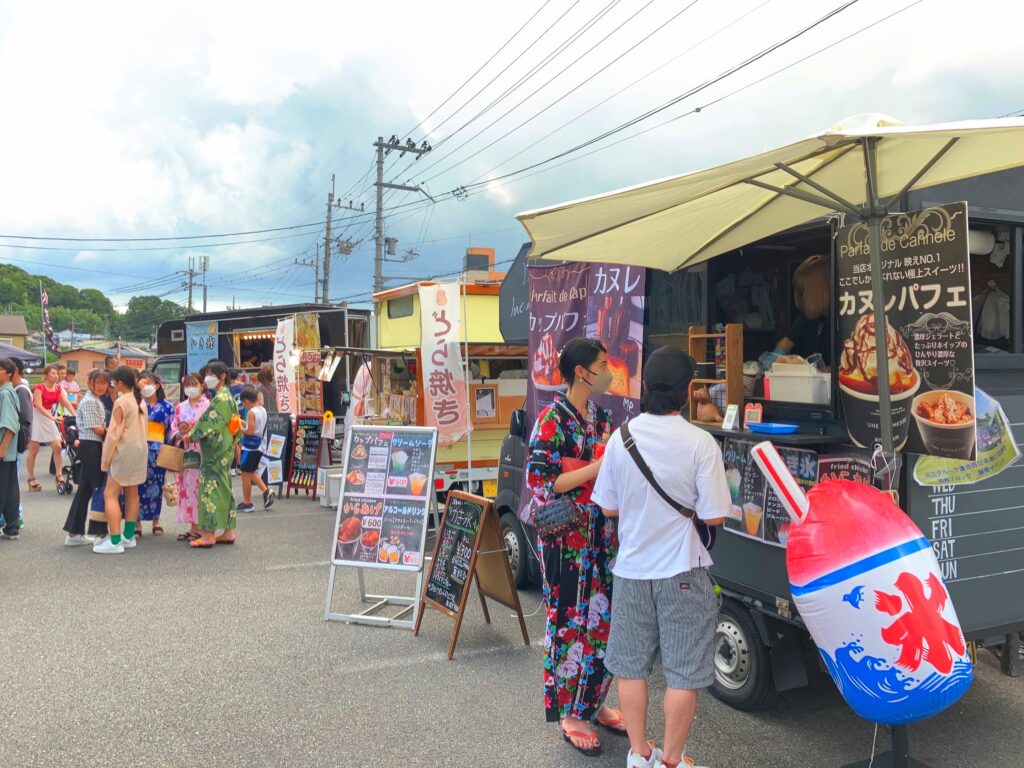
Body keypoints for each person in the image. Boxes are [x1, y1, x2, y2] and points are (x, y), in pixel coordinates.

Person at [592, 346, 729, 768]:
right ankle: (670, 762)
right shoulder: (700, 443)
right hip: (683, 572)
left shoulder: (621, 437)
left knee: (631, 668)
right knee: (683, 674)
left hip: (632, 571)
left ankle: (639, 754)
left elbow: (608, 507)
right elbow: (714, 515)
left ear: (646, 388)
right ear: (688, 390)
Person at [526, 338, 624, 756]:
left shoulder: (602, 418)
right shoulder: (551, 419)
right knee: (568, 620)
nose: (609, 370)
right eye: (602, 364)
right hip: (566, 538)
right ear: (581, 372)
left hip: (601, 533)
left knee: (601, 620)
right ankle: (569, 712)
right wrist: (596, 467)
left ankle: (593, 701)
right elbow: (540, 481)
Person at [180, 361, 240, 548]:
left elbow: (208, 421)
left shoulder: (220, 399)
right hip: (225, 447)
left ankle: (207, 535)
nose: (208, 378)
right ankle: (229, 531)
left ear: (222, 376)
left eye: (211, 374)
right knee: (224, 488)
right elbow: (236, 424)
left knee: (210, 489)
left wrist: (192, 434)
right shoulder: (227, 396)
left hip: (215, 451)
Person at [93, 366, 148, 554]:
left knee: (110, 495)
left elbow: (113, 434)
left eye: (113, 382)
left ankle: (115, 540)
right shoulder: (139, 401)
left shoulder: (121, 402)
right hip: (139, 451)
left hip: (123, 451)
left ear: (120, 383)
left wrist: (105, 459)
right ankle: (128, 536)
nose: (111, 385)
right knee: (132, 493)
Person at [761, 254, 832, 370]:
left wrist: (812, 372)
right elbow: (789, 339)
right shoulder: (809, 315)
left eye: (804, 291)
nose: (801, 296)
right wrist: (775, 356)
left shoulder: (841, 319)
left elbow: (842, 368)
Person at [63, 370, 110, 545]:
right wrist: (113, 431)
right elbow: (96, 429)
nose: (101, 386)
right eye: (98, 383)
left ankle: (74, 533)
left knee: (84, 491)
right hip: (92, 447)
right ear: (90, 382)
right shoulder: (90, 401)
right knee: (99, 488)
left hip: (91, 447)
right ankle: (99, 533)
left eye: (104, 383)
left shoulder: (94, 400)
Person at [25, 363, 76, 492]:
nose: (56, 376)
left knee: (58, 446)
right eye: (53, 373)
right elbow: (38, 405)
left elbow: (65, 402)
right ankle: (31, 478)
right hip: (37, 416)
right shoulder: (39, 387)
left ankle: (59, 475)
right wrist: (51, 417)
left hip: (49, 416)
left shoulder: (58, 388)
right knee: (34, 449)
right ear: (46, 376)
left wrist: (75, 416)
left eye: (57, 374)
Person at [171, 373, 209, 542]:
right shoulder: (180, 407)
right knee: (186, 488)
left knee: (200, 488)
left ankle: (201, 527)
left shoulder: (208, 405)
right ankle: (193, 526)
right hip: (186, 452)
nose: (191, 388)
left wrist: (194, 433)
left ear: (202, 385)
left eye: (194, 384)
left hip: (202, 450)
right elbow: (173, 427)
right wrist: (180, 433)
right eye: (188, 384)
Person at [138, 372, 173, 536]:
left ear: (157, 385)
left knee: (157, 486)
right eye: (142, 383)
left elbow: (171, 430)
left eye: (149, 383)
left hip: (158, 449)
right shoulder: (137, 404)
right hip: (138, 448)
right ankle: (136, 523)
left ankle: (156, 521)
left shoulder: (167, 406)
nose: (145, 387)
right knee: (135, 486)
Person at [237, 387, 275, 512]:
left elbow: (250, 431)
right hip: (260, 446)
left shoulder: (251, 412)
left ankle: (247, 503)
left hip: (250, 448)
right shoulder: (262, 410)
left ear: (247, 400)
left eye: (243, 402)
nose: (244, 405)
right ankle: (266, 491)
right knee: (252, 472)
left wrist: (239, 427)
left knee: (245, 474)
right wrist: (241, 422)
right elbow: (255, 426)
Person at [0, 358, 22, 540]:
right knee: (9, 489)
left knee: (3, 488)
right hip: (9, 452)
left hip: (3, 449)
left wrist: (3, 447)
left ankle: (12, 525)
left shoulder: (5, 394)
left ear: (8, 373)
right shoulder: (9, 392)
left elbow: (10, 425)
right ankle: (12, 526)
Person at [10, 359, 33, 529]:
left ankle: (16, 515)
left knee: (11, 480)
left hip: (14, 443)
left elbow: (25, 420)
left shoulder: (21, 391)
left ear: (14, 370)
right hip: (13, 443)